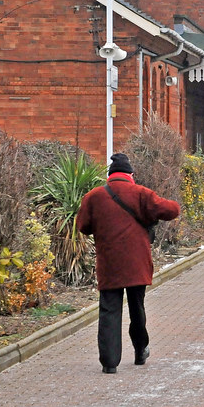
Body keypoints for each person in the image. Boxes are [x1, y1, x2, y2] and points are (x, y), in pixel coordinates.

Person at [76, 153, 180, 374]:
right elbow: (172, 210)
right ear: (131, 175)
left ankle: (109, 362)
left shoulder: (93, 197)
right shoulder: (141, 193)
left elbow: (83, 226)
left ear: (110, 176)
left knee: (109, 310)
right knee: (136, 307)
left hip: (109, 263)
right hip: (136, 263)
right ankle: (140, 351)